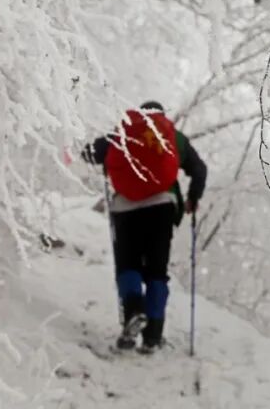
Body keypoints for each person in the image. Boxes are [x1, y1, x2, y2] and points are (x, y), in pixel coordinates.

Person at [81, 100, 207, 352]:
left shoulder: (123, 133)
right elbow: (199, 169)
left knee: (128, 265)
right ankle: (153, 336)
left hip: (125, 208)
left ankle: (133, 312)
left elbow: (88, 153)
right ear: (162, 117)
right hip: (161, 207)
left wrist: (106, 160)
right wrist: (193, 197)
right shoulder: (174, 138)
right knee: (156, 271)